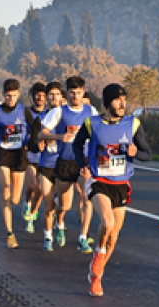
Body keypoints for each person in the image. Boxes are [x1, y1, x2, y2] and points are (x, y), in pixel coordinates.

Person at [74, 84, 152, 297]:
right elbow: (77, 144)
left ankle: (96, 275)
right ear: (108, 102)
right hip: (98, 181)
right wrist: (81, 164)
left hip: (121, 184)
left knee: (114, 236)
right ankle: (98, 255)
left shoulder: (133, 124)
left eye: (124, 99)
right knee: (107, 223)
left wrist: (136, 153)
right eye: (117, 100)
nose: (122, 104)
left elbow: (148, 154)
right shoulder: (92, 123)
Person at [0, 79, 41, 249]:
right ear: (3, 95)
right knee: (5, 191)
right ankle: (10, 234)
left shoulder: (24, 111)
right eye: (8, 96)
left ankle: (23, 205)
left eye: (14, 96)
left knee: (16, 199)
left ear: (19, 94)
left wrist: (32, 142)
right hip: (3, 154)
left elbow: (36, 126)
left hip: (19, 155)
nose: (11, 99)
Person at [40, 76, 99, 254]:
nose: (75, 96)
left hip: (84, 162)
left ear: (83, 92)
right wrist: (60, 137)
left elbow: (99, 133)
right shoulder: (58, 112)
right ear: (67, 93)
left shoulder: (91, 111)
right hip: (65, 162)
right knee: (64, 206)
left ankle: (82, 237)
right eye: (72, 93)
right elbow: (42, 134)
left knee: (87, 198)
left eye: (79, 93)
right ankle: (58, 223)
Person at [37, 81, 63, 251]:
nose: (53, 97)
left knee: (62, 204)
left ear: (62, 96)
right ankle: (48, 236)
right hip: (46, 164)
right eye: (50, 95)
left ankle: (59, 225)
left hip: (63, 165)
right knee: (48, 204)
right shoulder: (41, 118)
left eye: (57, 94)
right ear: (47, 98)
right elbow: (35, 139)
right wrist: (39, 143)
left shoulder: (66, 115)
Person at [22, 82, 48, 234]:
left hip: (44, 157)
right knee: (31, 186)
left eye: (43, 96)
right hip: (28, 155)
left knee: (40, 189)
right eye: (37, 95)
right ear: (31, 97)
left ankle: (31, 217)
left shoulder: (49, 114)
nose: (40, 98)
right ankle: (26, 203)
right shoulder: (26, 113)